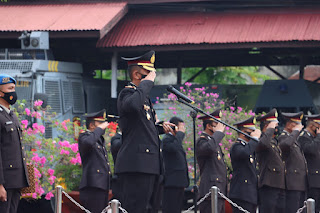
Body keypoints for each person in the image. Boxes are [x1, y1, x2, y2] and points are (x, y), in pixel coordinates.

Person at [116, 50, 173, 213]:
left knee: (150, 208)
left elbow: (141, 128)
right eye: (148, 73)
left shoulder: (143, 97)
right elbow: (133, 106)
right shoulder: (127, 93)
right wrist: (147, 83)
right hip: (136, 164)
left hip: (149, 164)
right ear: (136, 74)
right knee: (136, 208)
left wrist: (160, 128)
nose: (152, 76)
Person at [0, 74, 30, 213]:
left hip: (16, 180)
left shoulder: (11, 115)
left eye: (14, 88)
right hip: (5, 181)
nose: (13, 92)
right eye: (10, 88)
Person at [78, 109, 111, 213]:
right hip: (92, 185)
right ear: (92, 125)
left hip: (101, 185)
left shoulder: (99, 140)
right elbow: (88, 143)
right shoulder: (84, 137)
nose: (104, 126)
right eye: (100, 123)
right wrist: (99, 130)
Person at [196, 109, 226, 213]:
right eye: (216, 124)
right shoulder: (202, 141)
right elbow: (209, 148)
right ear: (209, 126)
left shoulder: (213, 142)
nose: (220, 127)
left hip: (219, 190)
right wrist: (218, 133)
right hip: (210, 191)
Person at [256, 109, 286, 213]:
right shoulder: (261, 139)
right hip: (268, 184)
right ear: (266, 126)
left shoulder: (273, 141)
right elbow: (263, 144)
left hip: (279, 184)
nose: (276, 127)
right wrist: (269, 129)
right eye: (274, 125)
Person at [229, 116, 261, 213]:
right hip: (241, 193)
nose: (253, 134)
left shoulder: (248, 147)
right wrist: (255, 138)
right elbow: (245, 153)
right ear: (243, 132)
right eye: (250, 131)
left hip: (250, 194)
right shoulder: (237, 146)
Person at [278, 112, 307, 213]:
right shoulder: (283, 137)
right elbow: (285, 145)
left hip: (300, 183)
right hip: (292, 183)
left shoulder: (294, 139)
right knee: (293, 209)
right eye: (296, 125)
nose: (299, 129)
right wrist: (295, 132)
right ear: (290, 125)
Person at [162, 116, 189, 213]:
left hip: (179, 181)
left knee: (177, 208)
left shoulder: (175, 140)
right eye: (181, 128)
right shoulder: (167, 140)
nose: (183, 131)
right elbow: (174, 148)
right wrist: (180, 134)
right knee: (171, 208)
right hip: (172, 181)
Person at [298, 114, 320, 212]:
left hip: (318, 179)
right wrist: (319, 137)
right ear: (312, 126)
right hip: (312, 180)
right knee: (312, 208)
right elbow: (311, 150)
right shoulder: (304, 137)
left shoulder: (315, 139)